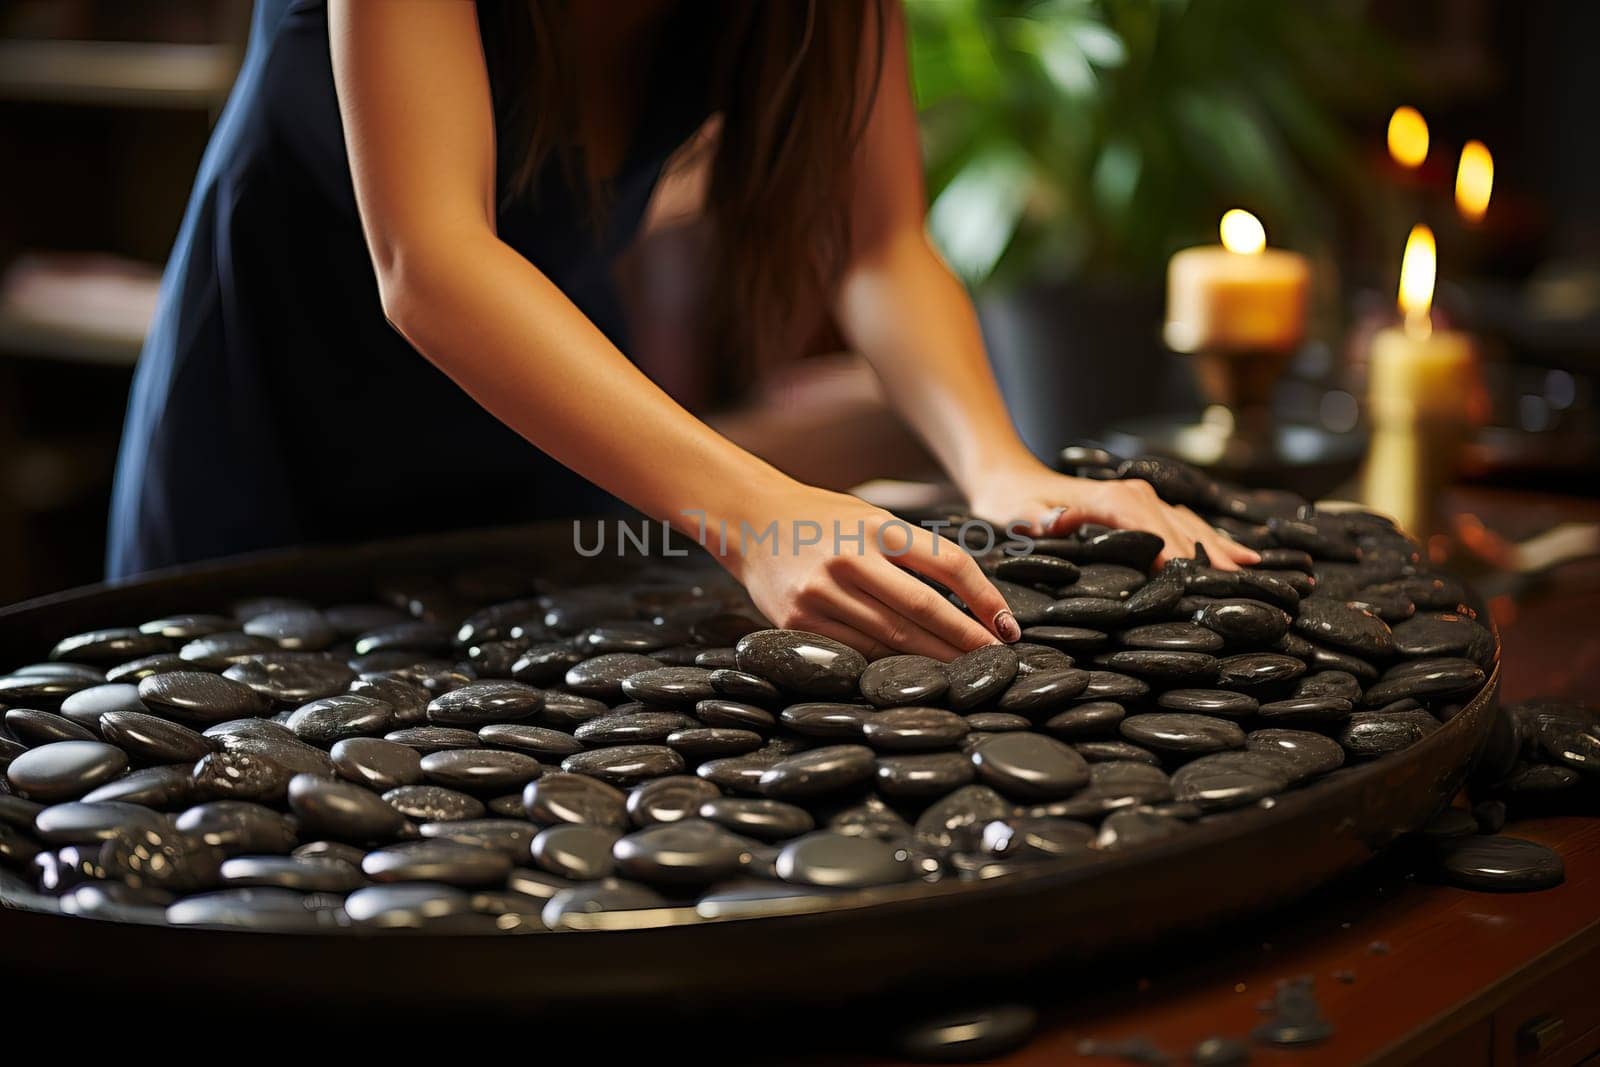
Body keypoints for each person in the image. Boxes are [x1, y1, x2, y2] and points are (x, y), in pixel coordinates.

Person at [109, 0, 1255, 661]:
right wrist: (754, 512)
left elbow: (874, 241)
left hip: (558, 412)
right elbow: (432, 262)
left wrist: (1001, 467)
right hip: (276, 411)